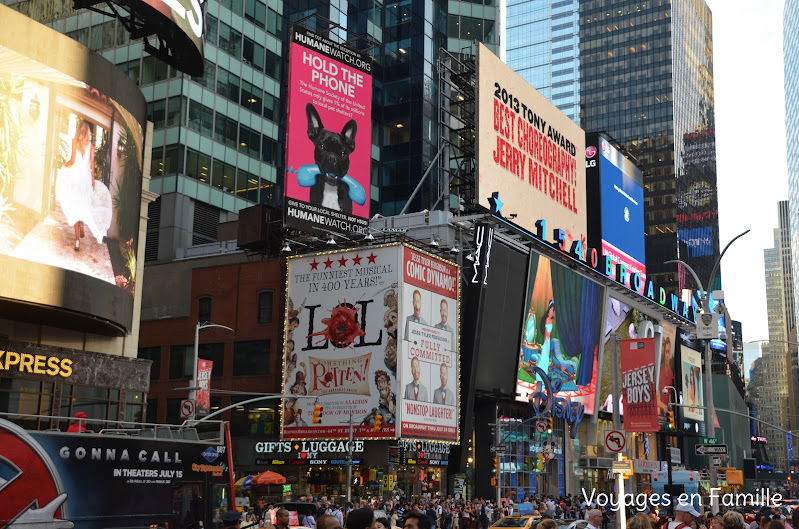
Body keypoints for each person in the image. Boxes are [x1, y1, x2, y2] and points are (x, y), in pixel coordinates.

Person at [56, 119, 112, 251]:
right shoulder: (91, 147)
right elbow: (92, 164)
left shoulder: (74, 143)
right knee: (84, 204)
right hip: (85, 179)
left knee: (76, 205)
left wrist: (63, 165)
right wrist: (92, 180)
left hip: (75, 177)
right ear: (88, 132)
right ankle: (81, 225)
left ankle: (77, 241)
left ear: (79, 131)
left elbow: (72, 161)